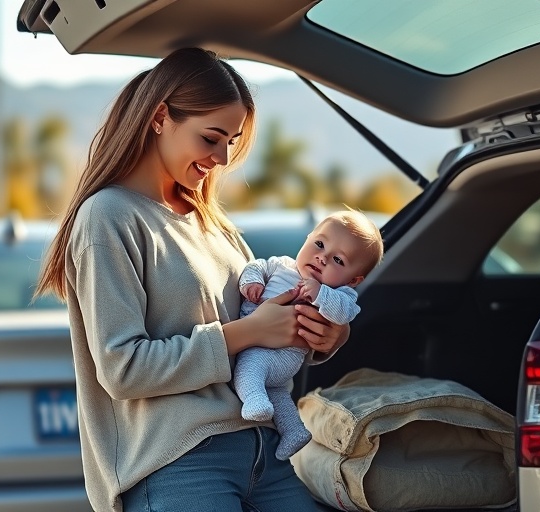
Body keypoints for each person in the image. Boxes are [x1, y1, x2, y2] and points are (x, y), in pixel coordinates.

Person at [35, 47, 350, 512]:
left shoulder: (213, 224)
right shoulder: (108, 217)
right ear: (161, 117)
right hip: (178, 467)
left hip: (266, 455)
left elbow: (263, 338)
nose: (222, 157)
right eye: (211, 138)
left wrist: (323, 334)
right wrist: (244, 333)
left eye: (232, 141)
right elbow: (123, 369)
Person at [234, 209, 384, 461]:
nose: (322, 258)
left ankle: (253, 400)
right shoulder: (281, 265)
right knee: (279, 393)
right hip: (273, 358)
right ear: (307, 238)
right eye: (319, 244)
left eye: (338, 260)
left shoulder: (340, 294)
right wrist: (251, 283)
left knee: (249, 367)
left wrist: (319, 294)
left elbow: (345, 313)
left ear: (353, 280)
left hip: (280, 353)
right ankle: (294, 431)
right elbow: (256, 266)